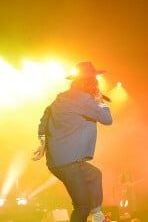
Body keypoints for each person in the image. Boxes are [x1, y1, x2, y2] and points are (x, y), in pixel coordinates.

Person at [32, 61, 113, 222]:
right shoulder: (83, 99)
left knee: (95, 175)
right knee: (82, 206)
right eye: (94, 80)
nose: (96, 83)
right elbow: (107, 119)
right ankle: (97, 216)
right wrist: (99, 101)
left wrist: (43, 143)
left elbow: (43, 122)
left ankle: (97, 216)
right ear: (87, 82)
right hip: (70, 164)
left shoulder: (60, 99)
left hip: (59, 162)